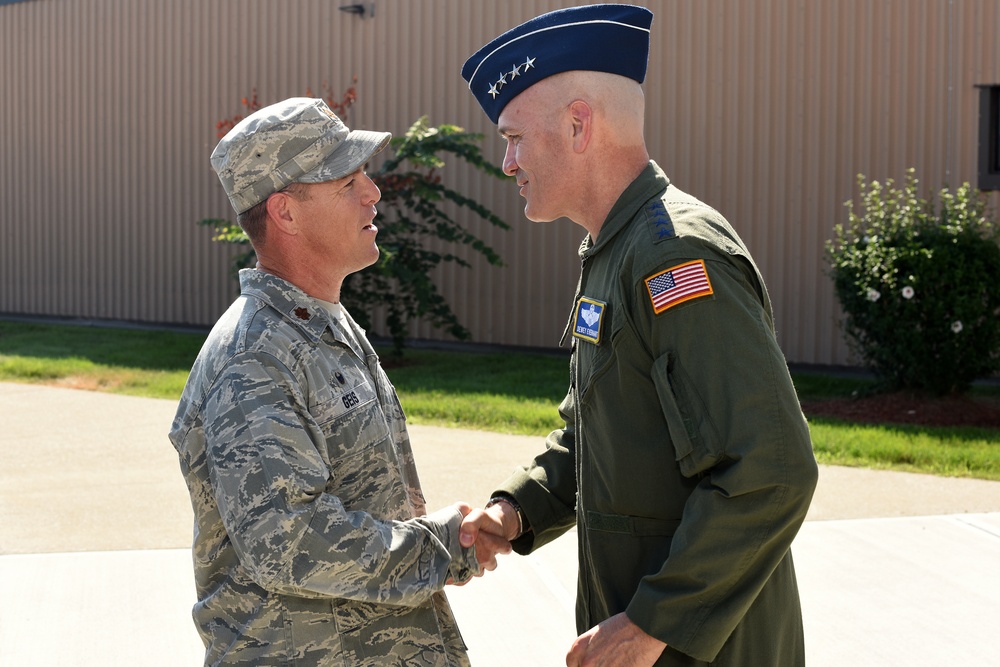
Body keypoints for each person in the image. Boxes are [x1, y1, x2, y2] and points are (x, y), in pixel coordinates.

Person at [458, 5, 819, 666]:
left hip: (703, 648)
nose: (507, 162)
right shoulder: (616, 251)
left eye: (512, 137)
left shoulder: (673, 254)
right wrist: (516, 508)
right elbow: (595, 434)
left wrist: (652, 621)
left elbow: (772, 468)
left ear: (578, 125)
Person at [169, 97, 508, 667]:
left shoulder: (321, 323)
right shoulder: (254, 358)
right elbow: (290, 542)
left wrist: (444, 540)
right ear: (286, 213)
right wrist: (438, 549)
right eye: (347, 180)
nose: (373, 192)